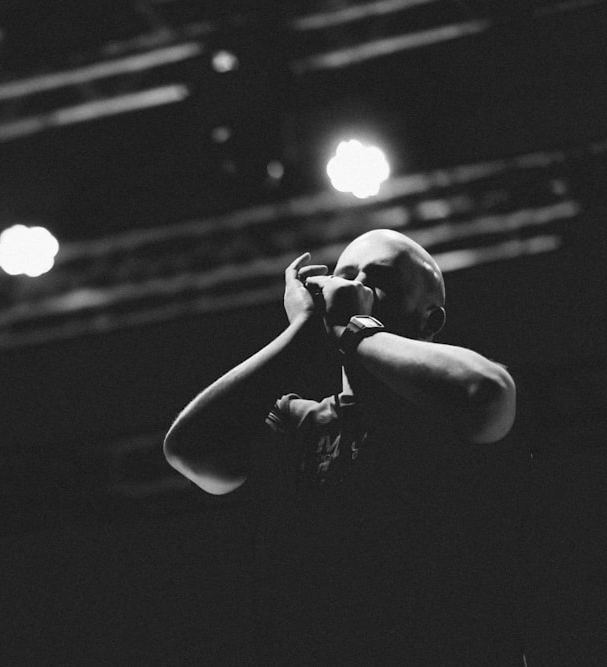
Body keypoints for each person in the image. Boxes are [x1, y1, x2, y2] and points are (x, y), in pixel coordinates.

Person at [163, 229, 520, 663]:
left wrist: (353, 329)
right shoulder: (301, 420)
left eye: (378, 279)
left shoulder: (452, 399)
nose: (352, 288)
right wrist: (304, 332)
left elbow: (484, 395)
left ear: (431, 321)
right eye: (345, 276)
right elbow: (190, 449)